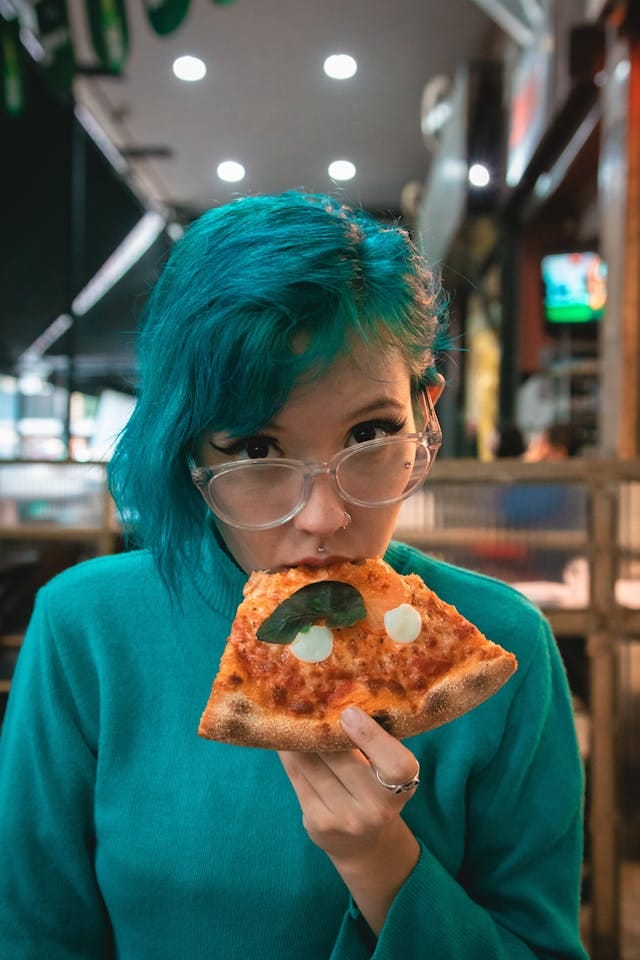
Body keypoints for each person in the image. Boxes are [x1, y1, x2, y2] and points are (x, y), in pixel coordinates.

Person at [0, 192, 588, 959]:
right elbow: (36, 936)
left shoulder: (504, 646)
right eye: (253, 449)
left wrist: (383, 863)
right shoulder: (86, 629)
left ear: (425, 411)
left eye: (370, 432)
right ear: (189, 456)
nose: (321, 515)